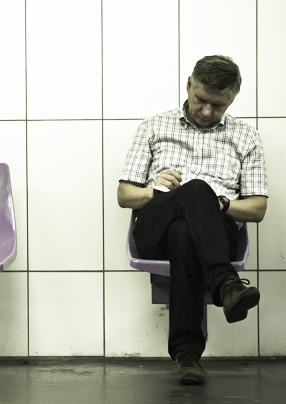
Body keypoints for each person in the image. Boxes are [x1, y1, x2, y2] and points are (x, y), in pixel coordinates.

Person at [117, 55, 268, 385]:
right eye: (201, 100)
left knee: (186, 230)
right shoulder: (153, 127)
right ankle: (226, 284)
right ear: (188, 86)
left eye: (218, 106)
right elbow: (124, 195)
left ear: (231, 100)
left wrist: (222, 204)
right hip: (154, 224)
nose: (206, 112)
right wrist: (155, 190)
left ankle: (187, 356)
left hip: (215, 229)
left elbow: (257, 209)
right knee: (195, 189)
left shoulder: (246, 137)